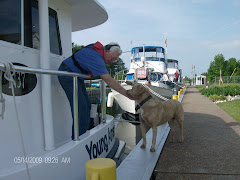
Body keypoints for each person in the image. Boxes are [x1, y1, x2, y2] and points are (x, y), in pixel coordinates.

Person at [58, 41, 134, 138]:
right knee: (80, 106)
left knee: (87, 105)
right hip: (68, 75)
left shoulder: (97, 54)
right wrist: (127, 94)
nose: (113, 61)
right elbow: (108, 80)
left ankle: (83, 132)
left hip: (76, 77)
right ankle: (78, 138)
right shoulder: (96, 57)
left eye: (115, 59)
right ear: (106, 51)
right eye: (113, 58)